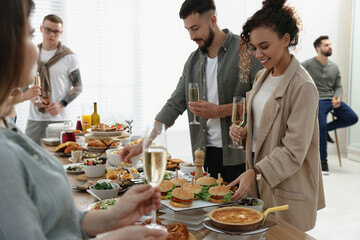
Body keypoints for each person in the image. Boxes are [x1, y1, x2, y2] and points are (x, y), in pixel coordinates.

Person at [0, 1, 168, 239]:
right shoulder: (3, 156)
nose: (37, 46)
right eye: (30, 35)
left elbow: (55, 222)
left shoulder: (8, 127)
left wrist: (113, 217)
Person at [120, 0, 262, 183]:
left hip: (242, 154)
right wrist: (142, 144)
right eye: (187, 29)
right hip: (207, 155)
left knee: (241, 211)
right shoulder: (193, 62)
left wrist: (219, 111)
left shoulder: (246, 50)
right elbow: (174, 105)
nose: (191, 36)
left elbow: (263, 100)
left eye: (195, 28)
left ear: (213, 20)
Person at [228, 0, 325, 231]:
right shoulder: (263, 77)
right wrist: (244, 133)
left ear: (285, 39)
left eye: (264, 46)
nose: (258, 54)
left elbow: (294, 150)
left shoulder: (303, 86)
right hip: (261, 183)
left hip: (287, 188)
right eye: (253, 47)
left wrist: (255, 172)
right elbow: (265, 126)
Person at [302, 36, 358, 174]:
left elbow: (338, 86)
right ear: (318, 48)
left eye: (330, 44)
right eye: (326, 45)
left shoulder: (334, 67)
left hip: (332, 100)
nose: (330, 47)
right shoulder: (308, 64)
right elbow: (296, 75)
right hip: (318, 100)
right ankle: (323, 161)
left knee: (352, 117)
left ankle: (325, 130)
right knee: (320, 125)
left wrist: (338, 97)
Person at [25, 14, 83, 145]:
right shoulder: (30, 54)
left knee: (58, 159)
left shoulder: (69, 57)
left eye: (56, 31)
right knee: (29, 158)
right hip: (34, 118)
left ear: (61, 32)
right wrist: (31, 96)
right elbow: (21, 83)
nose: (51, 34)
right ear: (41, 29)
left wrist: (61, 104)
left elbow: (78, 86)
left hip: (59, 120)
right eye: (48, 30)